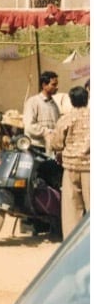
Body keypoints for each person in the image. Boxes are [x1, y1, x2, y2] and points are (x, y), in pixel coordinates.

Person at [51, 86, 89, 239]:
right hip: (89, 167)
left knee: (72, 210)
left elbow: (57, 144)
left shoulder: (65, 119)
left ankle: (73, 244)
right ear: (87, 99)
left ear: (72, 101)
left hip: (70, 168)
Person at [23, 70, 60, 152]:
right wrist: (46, 132)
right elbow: (29, 126)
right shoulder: (33, 102)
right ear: (44, 85)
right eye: (53, 85)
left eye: (56, 85)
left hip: (49, 147)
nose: (56, 87)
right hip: (36, 147)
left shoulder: (54, 105)